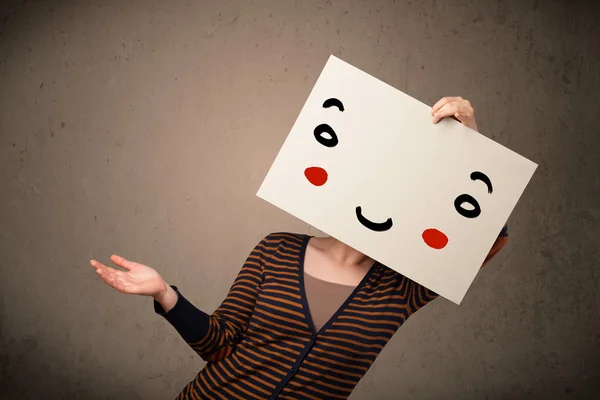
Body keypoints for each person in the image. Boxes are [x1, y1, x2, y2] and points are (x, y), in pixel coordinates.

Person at [91, 96, 509, 400]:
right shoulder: (276, 251)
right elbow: (218, 343)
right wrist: (165, 294)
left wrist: (469, 144)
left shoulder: (402, 287)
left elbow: (487, 238)